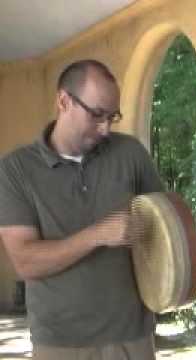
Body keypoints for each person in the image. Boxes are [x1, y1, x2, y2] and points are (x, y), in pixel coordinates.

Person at [0, 59, 163, 360]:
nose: (105, 128)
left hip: (132, 337)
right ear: (64, 101)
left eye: (113, 117)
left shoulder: (130, 153)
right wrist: (97, 234)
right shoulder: (15, 170)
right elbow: (26, 262)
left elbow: (164, 231)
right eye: (97, 114)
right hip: (60, 343)